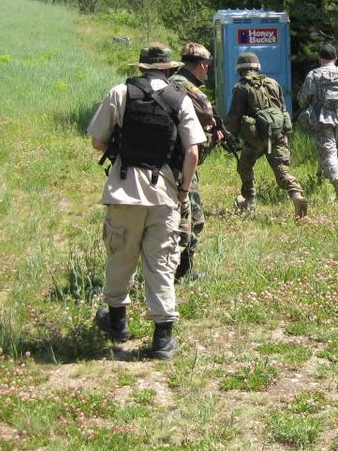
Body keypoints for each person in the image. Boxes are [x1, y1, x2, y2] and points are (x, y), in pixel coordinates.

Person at [88, 44, 206, 359]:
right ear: (169, 69)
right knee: (162, 263)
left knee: (120, 255)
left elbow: (97, 140)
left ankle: (117, 323)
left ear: (142, 68)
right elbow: (193, 151)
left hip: (124, 190)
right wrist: (182, 190)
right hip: (164, 193)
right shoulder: (179, 99)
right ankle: (163, 339)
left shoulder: (119, 93)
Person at [226, 51, 309, 218]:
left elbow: (234, 116)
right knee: (281, 170)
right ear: (257, 67)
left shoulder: (241, 87)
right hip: (277, 135)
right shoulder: (273, 83)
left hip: (255, 138)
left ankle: (249, 202)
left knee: (245, 166)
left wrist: (231, 135)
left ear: (240, 70)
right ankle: (296, 195)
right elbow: (282, 108)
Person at [169, 42, 223, 282]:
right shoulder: (191, 90)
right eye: (208, 66)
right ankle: (180, 271)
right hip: (183, 162)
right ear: (202, 65)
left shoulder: (169, 81)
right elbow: (206, 114)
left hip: (163, 161)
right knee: (191, 219)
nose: (208, 71)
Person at [296, 43, 338, 201]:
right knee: (331, 151)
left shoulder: (313, 75)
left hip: (322, 121)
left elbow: (303, 99)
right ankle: (320, 179)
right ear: (335, 58)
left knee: (329, 154)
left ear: (320, 58)